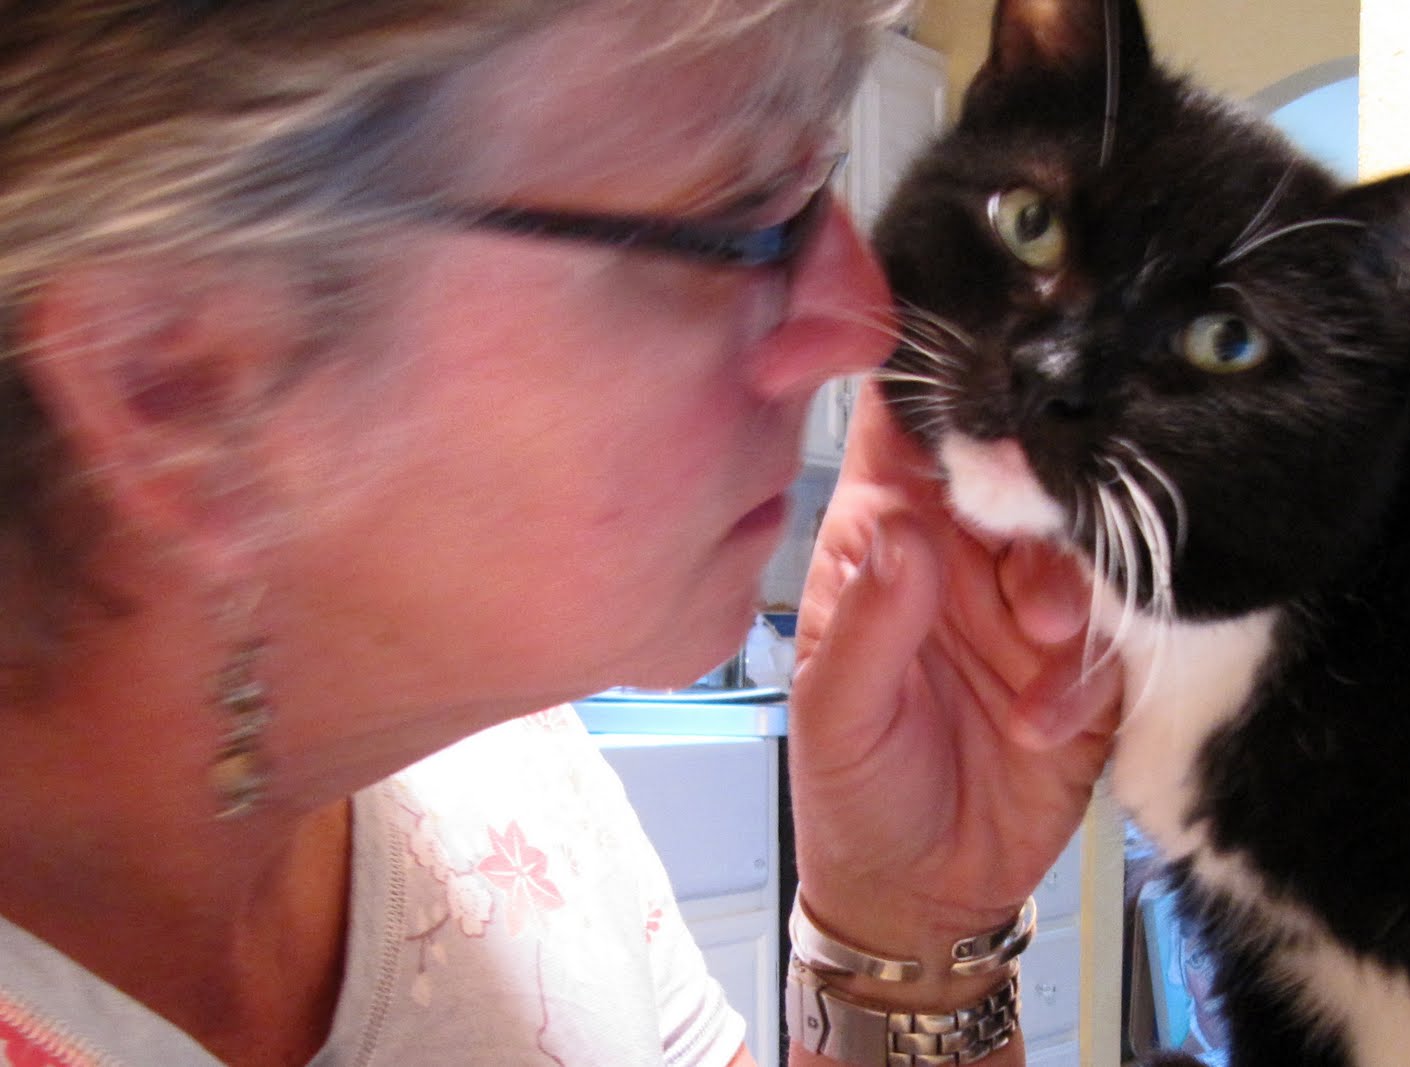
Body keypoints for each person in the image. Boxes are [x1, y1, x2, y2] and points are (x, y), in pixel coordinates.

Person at [0, 2, 1121, 1065]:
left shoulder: (508, 776)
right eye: (742, 214)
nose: (862, 322)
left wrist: (904, 931)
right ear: (185, 388)